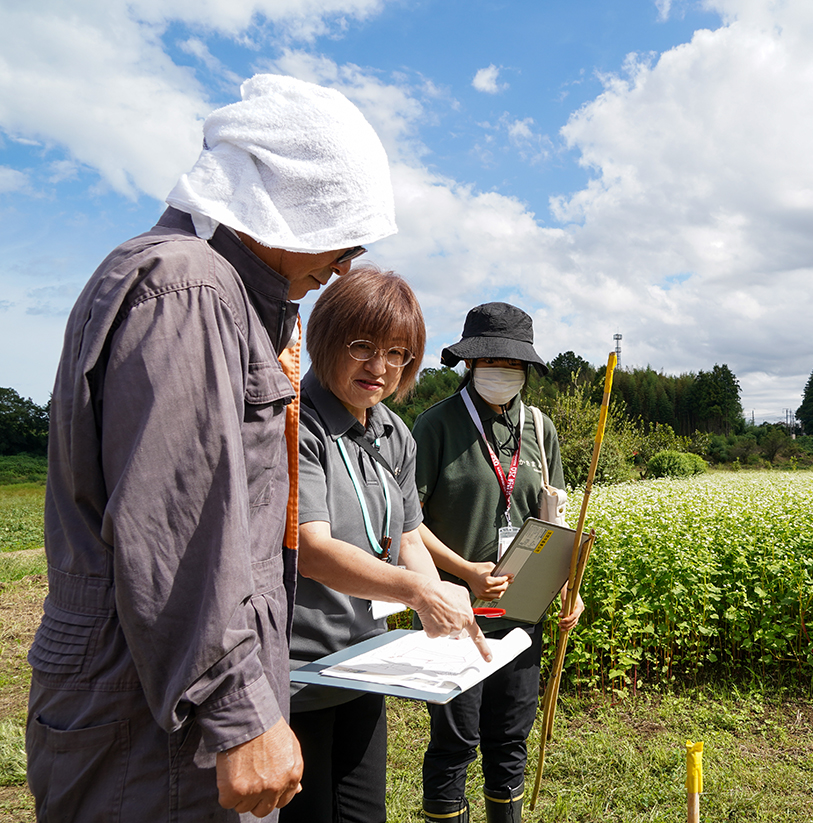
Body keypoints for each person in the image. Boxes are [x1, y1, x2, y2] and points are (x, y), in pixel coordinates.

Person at [27, 74, 481, 821]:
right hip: (159, 729)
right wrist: (240, 712)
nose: (340, 265)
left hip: (160, 705)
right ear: (286, 206)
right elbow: (179, 531)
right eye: (340, 235)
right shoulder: (192, 291)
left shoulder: (210, 291)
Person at [282, 267, 489, 823]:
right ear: (326, 341)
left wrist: (441, 601)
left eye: (398, 353)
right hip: (298, 670)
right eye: (362, 347)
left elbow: (406, 534)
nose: (380, 368)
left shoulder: (393, 432)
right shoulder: (298, 423)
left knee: (365, 812)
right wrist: (420, 592)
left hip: (365, 661)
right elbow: (312, 548)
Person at [412, 302, 585, 823]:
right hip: (455, 614)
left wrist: (569, 586)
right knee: (455, 740)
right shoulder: (435, 426)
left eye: (513, 363)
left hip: (522, 616)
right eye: (490, 359)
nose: (502, 371)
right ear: (469, 362)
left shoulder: (540, 428)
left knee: (509, 739)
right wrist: (466, 571)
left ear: (526, 369)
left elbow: (551, 519)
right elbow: (407, 526)